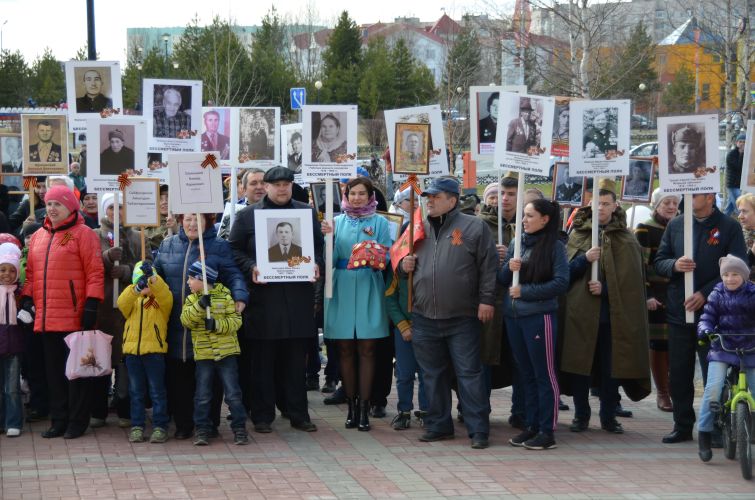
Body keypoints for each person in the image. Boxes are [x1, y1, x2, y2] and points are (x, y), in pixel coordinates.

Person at [400, 176, 497, 449]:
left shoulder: (474, 227)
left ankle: (478, 429)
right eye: (428, 197)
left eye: (436, 197)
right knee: (431, 375)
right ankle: (439, 425)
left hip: (462, 316)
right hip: (424, 316)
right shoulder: (414, 228)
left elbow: (488, 268)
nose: (429, 201)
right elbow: (396, 262)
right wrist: (403, 265)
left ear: (452, 201)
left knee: (469, 374)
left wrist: (486, 300)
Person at [229, 166, 324, 434]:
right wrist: (252, 267)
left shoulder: (305, 212)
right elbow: (233, 250)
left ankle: (298, 413)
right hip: (263, 300)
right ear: (266, 188)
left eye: (287, 184)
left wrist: (316, 264)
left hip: (297, 298)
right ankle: (262, 415)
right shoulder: (248, 216)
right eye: (277, 184)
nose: (282, 188)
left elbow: (317, 247)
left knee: (295, 361)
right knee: (263, 361)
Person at [654, 192, 747, 443]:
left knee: (712, 373)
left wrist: (706, 293)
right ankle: (682, 425)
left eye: (694, 194)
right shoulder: (676, 224)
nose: (688, 198)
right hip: (679, 310)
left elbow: (738, 265)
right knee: (680, 371)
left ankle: (714, 427)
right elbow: (658, 261)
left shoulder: (729, 226)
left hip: (715, 313)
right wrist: (674, 265)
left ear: (709, 197)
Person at [562, 180, 650, 435]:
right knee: (579, 366)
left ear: (614, 206)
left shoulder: (626, 239)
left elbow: (632, 285)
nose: (600, 207)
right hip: (579, 314)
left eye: (605, 203)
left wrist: (606, 289)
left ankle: (609, 415)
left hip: (611, 317)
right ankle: (581, 414)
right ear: (588, 204)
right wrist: (584, 259)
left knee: (611, 368)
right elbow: (563, 275)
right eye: (596, 202)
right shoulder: (577, 234)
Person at [153, 212, 248, 440]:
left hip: (207, 326)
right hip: (177, 319)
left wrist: (240, 295)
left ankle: (210, 423)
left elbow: (233, 274)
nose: (192, 223)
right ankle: (184, 423)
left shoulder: (219, 246)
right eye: (187, 219)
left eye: (198, 219)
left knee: (209, 379)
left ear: (208, 222)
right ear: (180, 221)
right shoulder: (168, 244)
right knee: (179, 374)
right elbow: (157, 274)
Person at [20, 185, 104, 439]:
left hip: (74, 316)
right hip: (46, 318)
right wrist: (26, 298)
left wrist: (91, 304)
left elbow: (94, 272)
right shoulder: (38, 237)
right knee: (54, 373)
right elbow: (32, 274)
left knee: (76, 374)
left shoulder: (84, 234)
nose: (52, 208)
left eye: (57, 204)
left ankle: (77, 421)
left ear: (70, 206)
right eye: (49, 204)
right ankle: (59, 419)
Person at [498, 199, 569, 450]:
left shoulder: (555, 247)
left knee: (544, 373)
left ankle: (546, 430)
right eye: (523, 215)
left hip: (540, 316)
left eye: (529, 216)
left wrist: (525, 292)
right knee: (525, 373)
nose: (524, 220)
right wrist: (509, 266)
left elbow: (561, 283)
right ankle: (530, 424)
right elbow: (502, 279)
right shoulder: (516, 243)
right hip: (514, 317)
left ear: (544, 219)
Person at [321, 177, 391, 432]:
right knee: (345, 350)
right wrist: (325, 239)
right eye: (353, 194)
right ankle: (350, 406)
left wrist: (372, 254)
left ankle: (365, 407)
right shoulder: (335, 223)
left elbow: (387, 253)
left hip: (369, 285)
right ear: (346, 196)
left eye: (363, 193)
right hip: (341, 287)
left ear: (371, 195)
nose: (358, 198)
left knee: (368, 349)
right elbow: (327, 259)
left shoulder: (380, 222)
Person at [180, 260, 248, 446]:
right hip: (204, 355)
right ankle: (202, 428)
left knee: (233, 393)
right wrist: (200, 306)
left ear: (202, 279)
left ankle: (239, 428)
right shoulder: (192, 299)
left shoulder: (225, 296)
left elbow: (236, 322)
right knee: (202, 394)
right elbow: (186, 321)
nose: (188, 282)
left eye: (191, 278)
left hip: (227, 353)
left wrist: (217, 325)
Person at [696, 254, 755, 462]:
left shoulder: (752, 293)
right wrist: (705, 330)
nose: (730, 279)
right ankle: (704, 432)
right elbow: (707, 317)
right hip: (723, 346)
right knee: (713, 388)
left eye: (735, 274)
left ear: (745, 276)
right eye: (726, 275)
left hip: (751, 346)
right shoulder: (716, 294)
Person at [478, 176, 524, 428]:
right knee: (484, 356)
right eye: (502, 193)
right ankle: (479, 409)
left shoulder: (528, 224)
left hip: (518, 301)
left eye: (511, 194)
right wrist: (490, 254)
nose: (505, 199)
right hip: (488, 299)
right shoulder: (480, 224)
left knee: (518, 357)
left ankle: (520, 411)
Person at [91, 192, 140, 429]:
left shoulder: (137, 236)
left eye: (120, 208)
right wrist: (106, 257)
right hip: (102, 309)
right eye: (111, 208)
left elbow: (147, 266)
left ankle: (124, 407)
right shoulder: (94, 235)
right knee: (100, 359)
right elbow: (87, 264)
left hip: (128, 310)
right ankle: (98, 409)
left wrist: (128, 270)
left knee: (124, 360)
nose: (116, 212)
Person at [635, 189, 680, 412]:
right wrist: (647, 295)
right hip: (656, 295)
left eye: (674, 202)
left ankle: (674, 388)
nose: (671, 206)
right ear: (656, 205)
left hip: (678, 294)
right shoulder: (645, 228)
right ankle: (662, 392)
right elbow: (640, 265)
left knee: (677, 344)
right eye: (666, 202)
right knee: (660, 345)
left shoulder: (683, 226)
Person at [117, 261, 173, 444]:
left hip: (154, 352)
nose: (145, 286)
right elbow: (121, 303)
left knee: (157, 391)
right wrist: (135, 289)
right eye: (141, 282)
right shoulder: (133, 302)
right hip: (133, 353)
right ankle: (137, 426)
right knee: (136, 392)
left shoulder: (160, 302)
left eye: (146, 282)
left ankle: (159, 426)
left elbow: (166, 295)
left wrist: (153, 279)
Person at [385, 248, 428, 430]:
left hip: (428, 328)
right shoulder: (397, 267)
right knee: (404, 374)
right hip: (405, 330)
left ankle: (427, 411)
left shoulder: (431, 262)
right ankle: (404, 411)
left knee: (428, 373)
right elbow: (390, 298)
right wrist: (402, 325)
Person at [0, 242, 27, 437]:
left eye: (11, 270)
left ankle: (13, 421)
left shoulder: (20, 294)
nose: (7, 274)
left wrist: (26, 313)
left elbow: (27, 320)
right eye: (2, 270)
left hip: (14, 347)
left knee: (12, 387)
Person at [217, 169, 265, 240]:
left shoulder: (279, 212)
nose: (259, 187)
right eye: (254, 183)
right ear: (244, 189)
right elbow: (225, 246)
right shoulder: (233, 216)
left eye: (263, 183)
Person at [144, 185, 176, 253]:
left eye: (168, 197)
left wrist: (175, 229)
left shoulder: (184, 221)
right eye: (160, 198)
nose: (164, 202)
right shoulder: (143, 220)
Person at [723, 133, 745, 216]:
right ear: (737, 143)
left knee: (730, 206)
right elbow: (738, 167)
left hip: (739, 184)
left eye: (744, 142)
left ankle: (722, 221)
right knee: (739, 205)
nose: (742, 143)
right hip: (732, 184)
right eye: (740, 141)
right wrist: (742, 154)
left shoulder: (746, 154)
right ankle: (743, 224)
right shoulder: (731, 154)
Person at [736, 192, 755, 280]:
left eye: (744, 211)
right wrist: (752, 254)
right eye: (740, 211)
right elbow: (735, 273)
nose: (740, 216)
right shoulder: (736, 236)